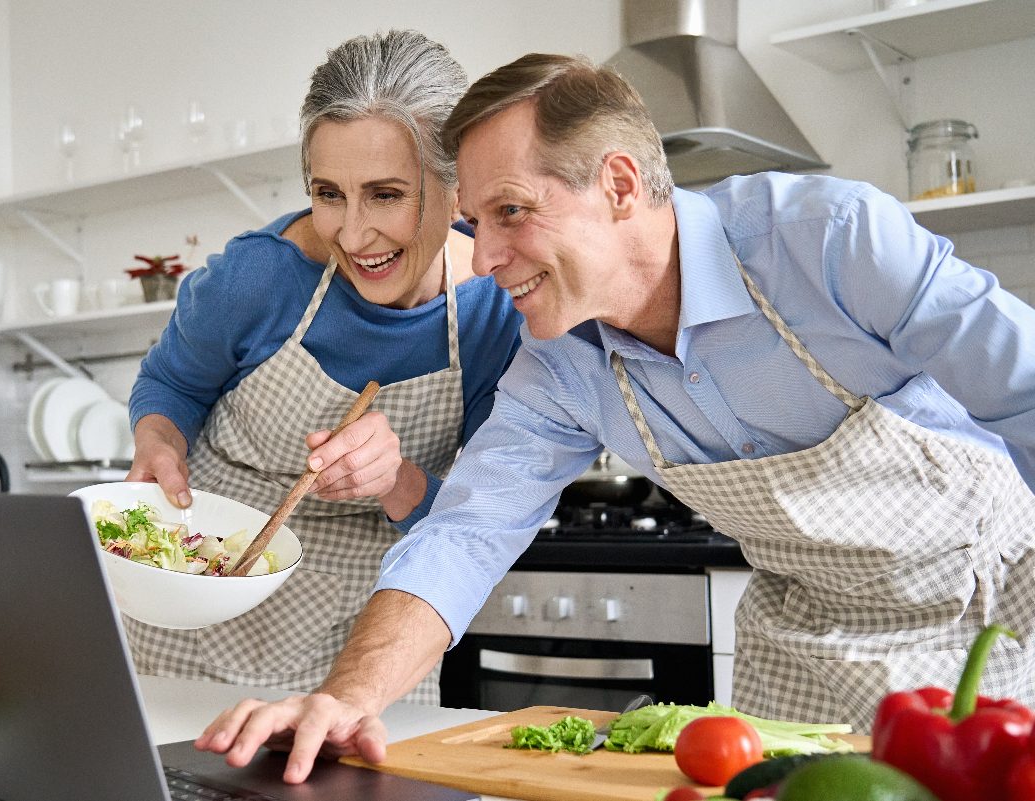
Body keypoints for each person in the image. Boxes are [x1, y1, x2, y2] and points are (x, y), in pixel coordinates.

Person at [194, 52, 1035, 782]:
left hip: (992, 627)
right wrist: (344, 699)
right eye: (474, 224)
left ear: (621, 184)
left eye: (510, 212)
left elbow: (1028, 393)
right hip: (803, 648)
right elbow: (463, 534)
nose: (482, 260)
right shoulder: (559, 363)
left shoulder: (830, 242)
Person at [124, 30, 522, 705]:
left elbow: (476, 524)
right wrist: (157, 442)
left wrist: (395, 480)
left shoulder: (493, 315)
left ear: (460, 190)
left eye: (387, 194)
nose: (352, 232)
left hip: (368, 642)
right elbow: (170, 384)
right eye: (328, 192)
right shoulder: (259, 276)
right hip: (197, 619)